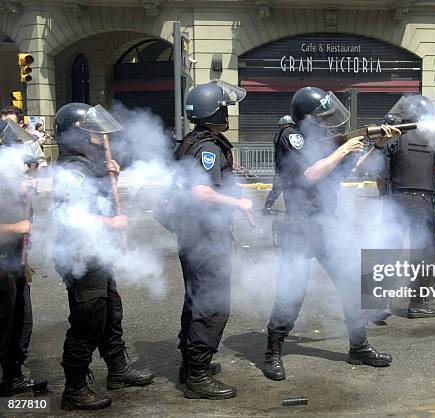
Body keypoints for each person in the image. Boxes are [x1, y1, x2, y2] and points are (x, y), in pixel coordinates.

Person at [262, 87, 393, 382]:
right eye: (321, 118)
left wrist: (379, 145)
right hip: (299, 226)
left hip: (326, 224)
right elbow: (309, 174)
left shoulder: (324, 144)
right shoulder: (290, 137)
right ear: (306, 119)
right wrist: (343, 148)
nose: (326, 123)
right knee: (291, 292)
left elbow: (352, 170)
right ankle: (272, 351)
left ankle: (358, 347)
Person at [52, 103, 154, 411]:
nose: (100, 137)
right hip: (81, 256)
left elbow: (100, 201)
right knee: (88, 321)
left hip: (98, 252)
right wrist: (111, 223)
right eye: (93, 132)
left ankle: (118, 370)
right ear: (76, 135)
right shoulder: (73, 171)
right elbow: (71, 218)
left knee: (111, 312)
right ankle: (75, 388)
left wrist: (112, 176)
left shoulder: (91, 164)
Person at [170, 80, 253, 400]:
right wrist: (239, 203)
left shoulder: (194, 140)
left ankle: (191, 363)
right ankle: (197, 377)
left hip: (192, 235)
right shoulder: (207, 147)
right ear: (212, 111)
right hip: (205, 237)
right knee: (212, 304)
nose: (228, 112)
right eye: (224, 107)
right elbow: (201, 191)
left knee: (196, 299)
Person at [356, 95, 435, 319]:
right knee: (423, 253)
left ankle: (378, 307)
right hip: (423, 204)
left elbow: (380, 174)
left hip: (396, 202)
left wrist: (384, 195)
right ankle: (417, 305)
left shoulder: (394, 138)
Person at [0, 119, 48, 397]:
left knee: (20, 320)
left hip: (14, 261)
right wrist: (15, 228)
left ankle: (13, 375)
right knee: (4, 322)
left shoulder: (12, 182)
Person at [262, 115, 295, 215]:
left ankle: (267, 208)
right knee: (284, 190)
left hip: (281, 168)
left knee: (277, 190)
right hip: (286, 168)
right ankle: (268, 208)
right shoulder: (288, 134)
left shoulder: (279, 135)